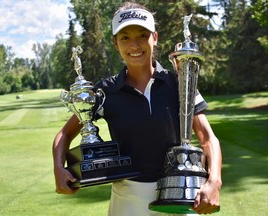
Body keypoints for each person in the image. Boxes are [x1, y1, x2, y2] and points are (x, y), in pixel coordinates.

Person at [52, 2, 222, 215]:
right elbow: (65, 133)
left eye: (142, 35)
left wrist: (214, 180)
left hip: (177, 194)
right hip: (128, 199)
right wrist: (59, 169)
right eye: (125, 37)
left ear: (155, 37)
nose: (134, 45)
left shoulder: (180, 82)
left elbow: (207, 137)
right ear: (115, 43)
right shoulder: (105, 91)